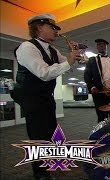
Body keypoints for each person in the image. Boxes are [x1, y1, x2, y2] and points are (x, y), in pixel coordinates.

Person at [12, 13, 81, 179]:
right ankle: (40, 174)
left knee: (49, 133)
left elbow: (69, 66)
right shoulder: (27, 47)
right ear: (39, 27)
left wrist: (75, 54)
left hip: (45, 97)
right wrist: (68, 62)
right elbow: (43, 73)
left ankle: (48, 165)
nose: (56, 31)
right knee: (38, 136)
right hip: (32, 98)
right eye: (52, 27)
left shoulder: (52, 49)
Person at [84, 39, 110, 123]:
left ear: (106, 47)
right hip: (100, 91)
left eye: (103, 44)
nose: (101, 46)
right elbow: (87, 76)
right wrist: (92, 87)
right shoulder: (92, 60)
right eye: (99, 44)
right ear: (97, 47)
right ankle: (102, 134)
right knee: (102, 116)